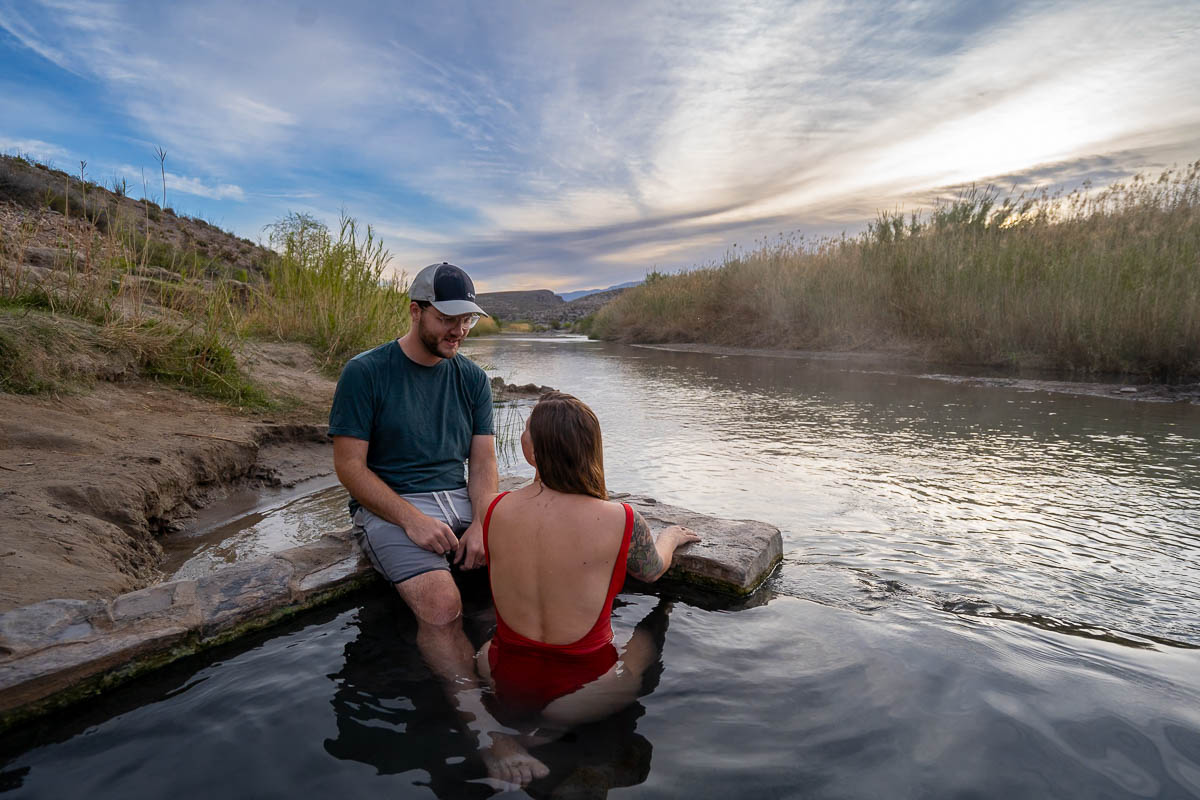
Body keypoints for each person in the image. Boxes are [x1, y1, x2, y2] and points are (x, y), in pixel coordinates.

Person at [330, 261, 537, 781]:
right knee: (443, 605)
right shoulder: (366, 372)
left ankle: (530, 691)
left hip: (462, 503)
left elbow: (483, 464)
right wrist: (411, 520)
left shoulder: (472, 378)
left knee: (523, 577)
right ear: (416, 311)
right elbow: (349, 468)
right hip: (392, 504)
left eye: (468, 319)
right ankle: (485, 726)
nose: (461, 330)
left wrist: (485, 523)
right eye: (449, 318)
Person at [476, 391, 700, 785]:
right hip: (582, 695)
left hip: (501, 678)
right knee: (646, 639)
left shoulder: (493, 509)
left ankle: (501, 735)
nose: (523, 434)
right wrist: (671, 536)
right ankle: (542, 738)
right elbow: (651, 571)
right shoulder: (622, 518)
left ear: (533, 451)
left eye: (526, 429)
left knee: (483, 640)